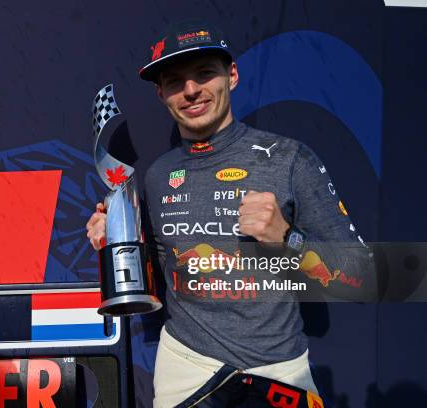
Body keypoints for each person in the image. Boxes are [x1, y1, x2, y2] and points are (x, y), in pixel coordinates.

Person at [86, 20, 373, 407]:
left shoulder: (290, 158)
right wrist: (115, 242)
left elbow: (363, 278)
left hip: (279, 370)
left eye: (204, 74)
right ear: (162, 94)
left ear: (231, 76)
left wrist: (286, 238)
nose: (191, 91)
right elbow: (158, 278)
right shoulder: (156, 177)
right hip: (186, 370)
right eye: (175, 81)